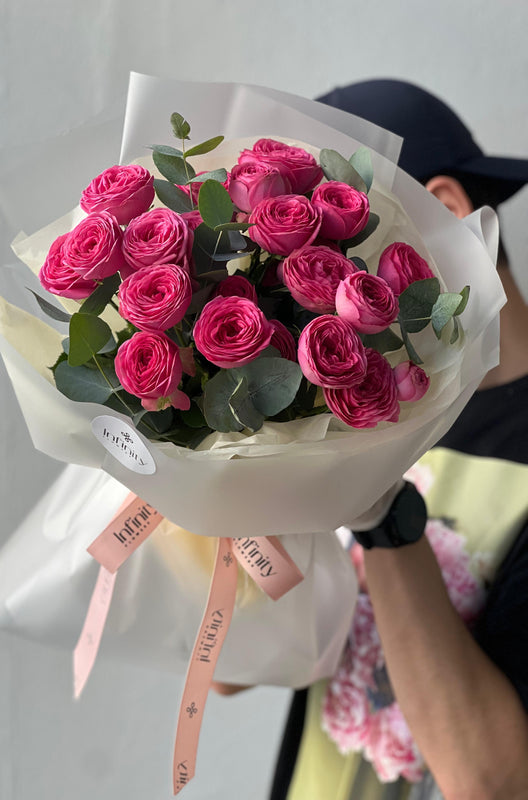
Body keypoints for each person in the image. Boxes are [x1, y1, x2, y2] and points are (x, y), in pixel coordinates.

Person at [264, 80, 528, 800]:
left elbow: (493, 779)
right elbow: (231, 669)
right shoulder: (350, 417)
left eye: (326, 249)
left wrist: (381, 516)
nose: (303, 288)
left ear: (443, 213)